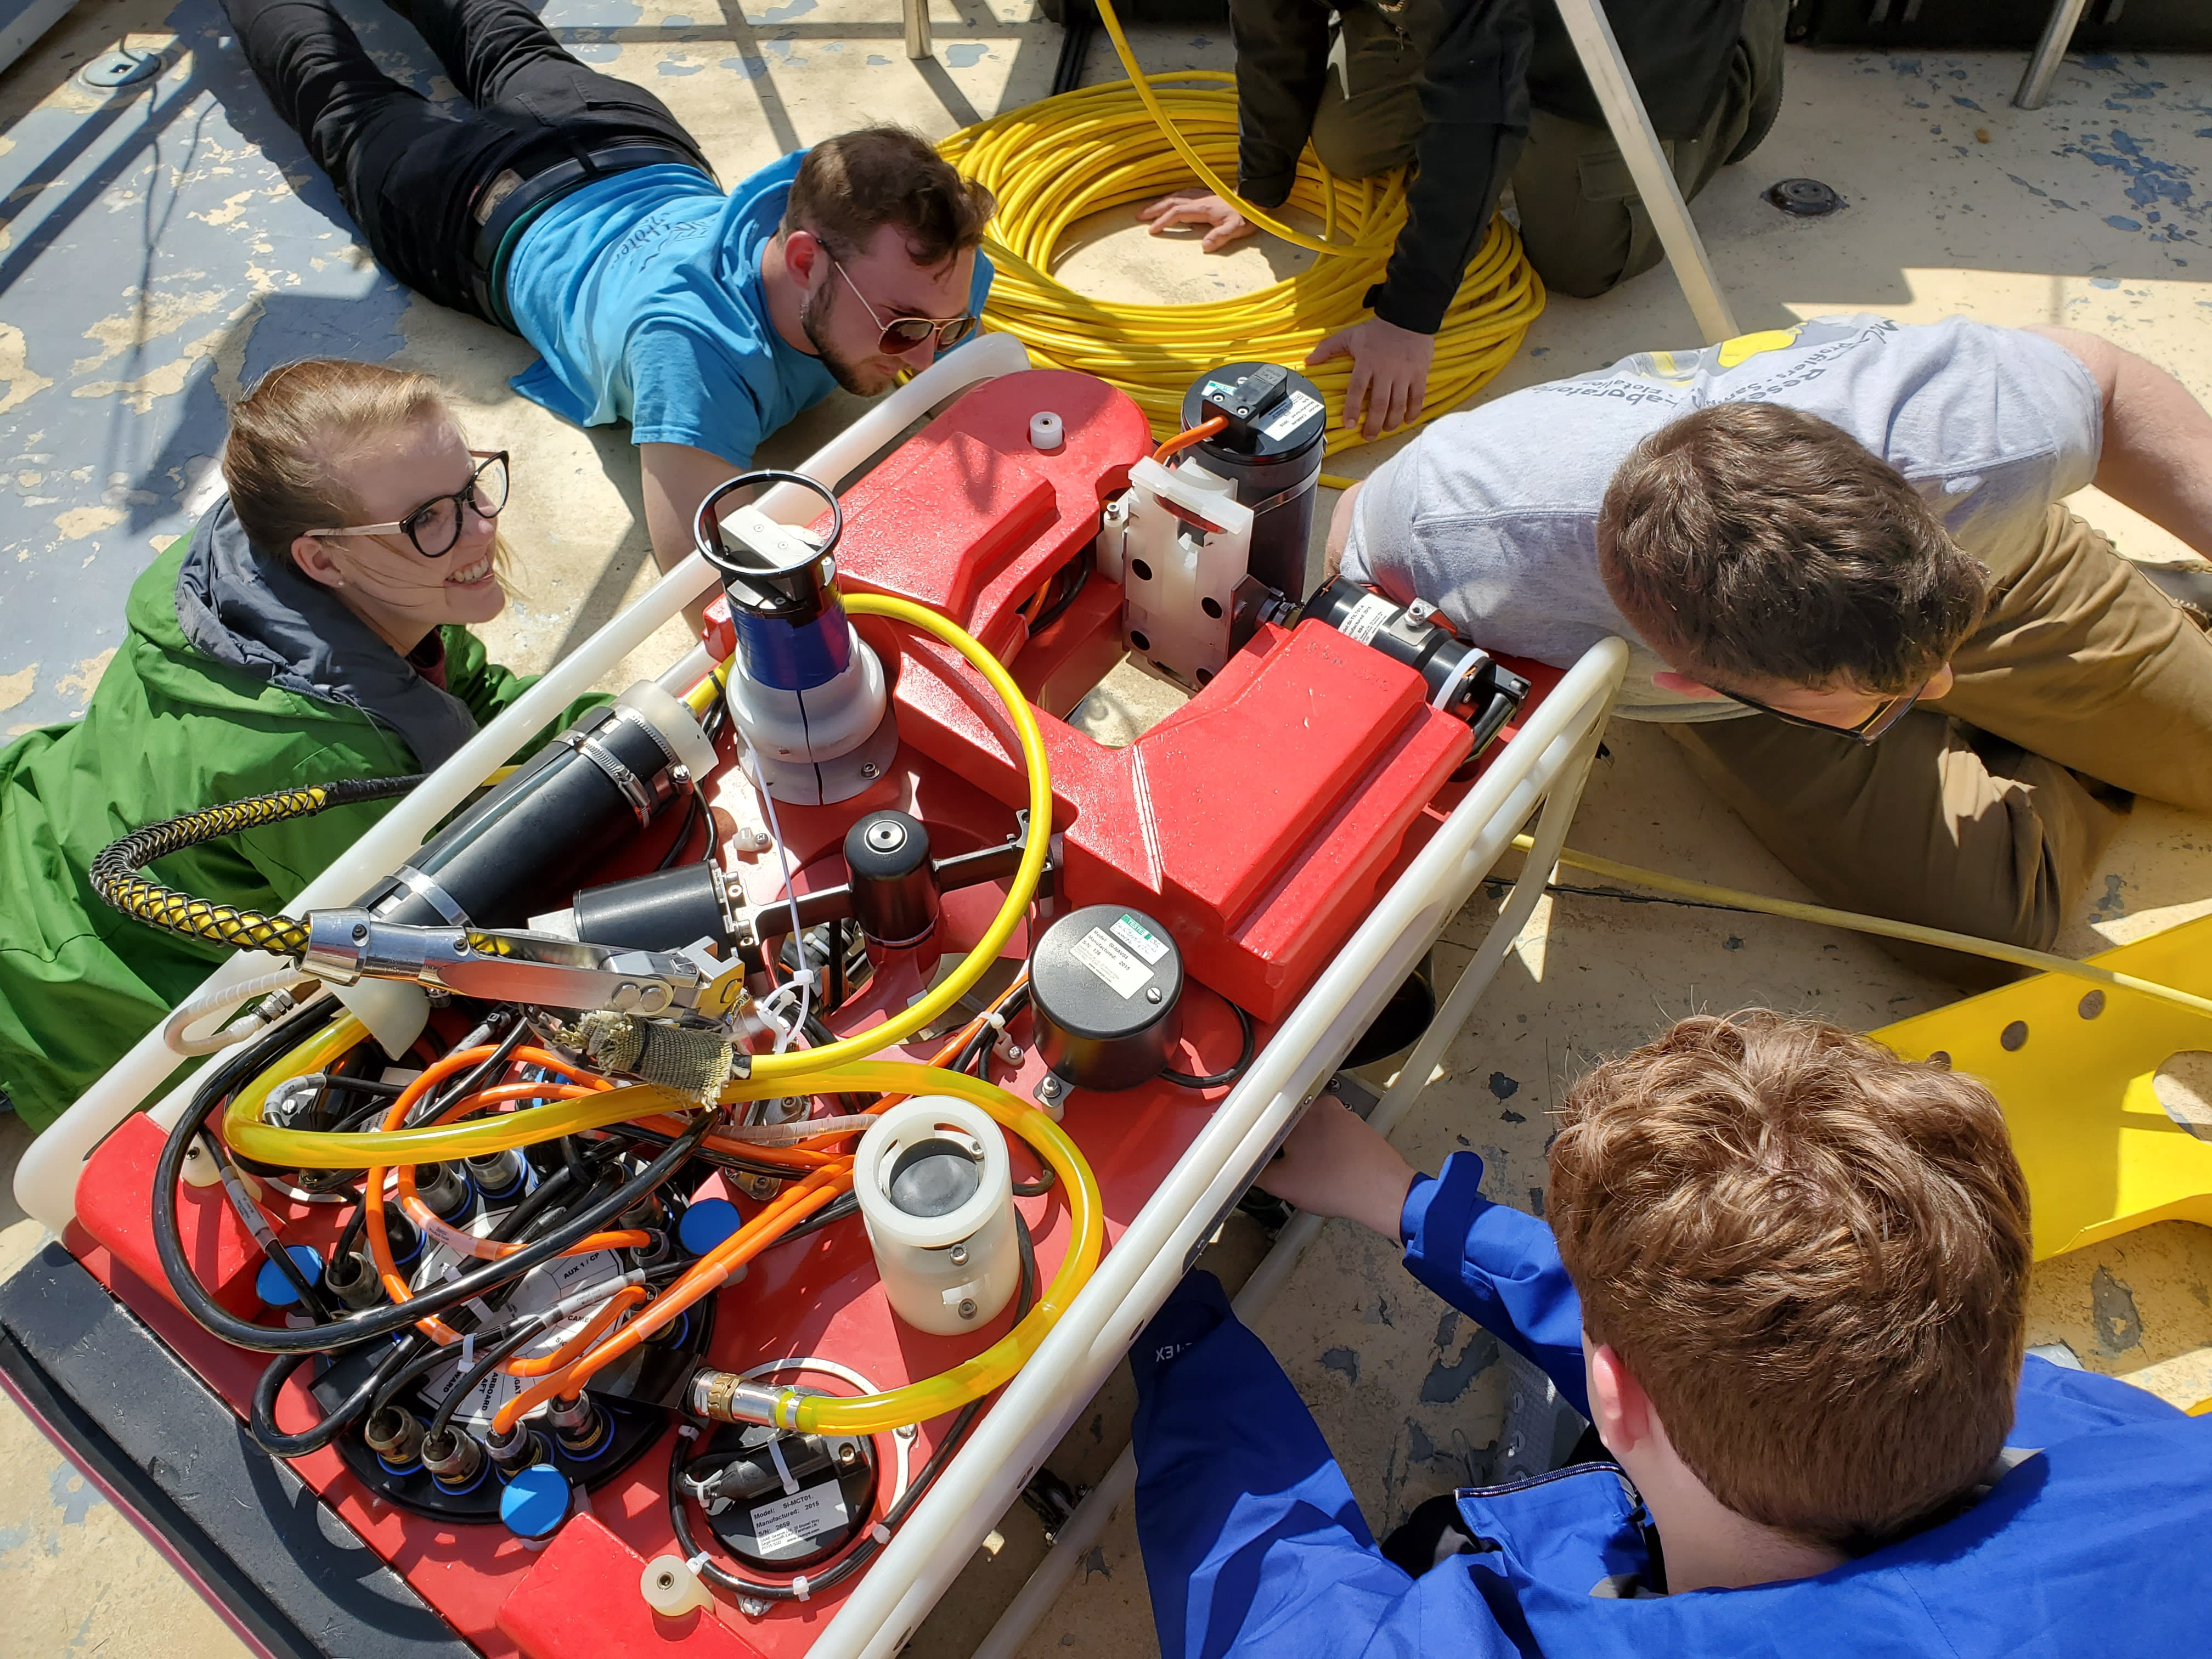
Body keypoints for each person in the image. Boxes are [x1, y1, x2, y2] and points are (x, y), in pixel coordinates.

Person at [1130, 1011, 2212, 1659]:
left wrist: (1160, 1313)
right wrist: (1414, 1207)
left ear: (1612, 1391)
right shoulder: (2134, 1447)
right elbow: (1755, 1338)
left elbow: (1271, 1599)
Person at [1324, 313, 2212, 974]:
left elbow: (2104, 381)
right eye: (1890, 699)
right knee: (1982, 931)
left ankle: (2061, 678)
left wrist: (1915, 642)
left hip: (1986, 560)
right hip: (1738, 672)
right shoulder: (1454, 537)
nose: (1938, 682)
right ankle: (2089, 719)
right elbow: (1347, 552)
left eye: (1928, 664)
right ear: (1685, 680)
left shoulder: (1965, 433)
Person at [0, 359, 601, 1134]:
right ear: (321, 557)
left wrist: (633, 717)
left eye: (472, 486)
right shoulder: (318, 754)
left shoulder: (297, 574)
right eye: (430, 519)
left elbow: (469, 700)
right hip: (58, 983)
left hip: (42, 823)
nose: (482, 526)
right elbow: (412, 952)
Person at [222, 0, 995, 587]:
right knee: (328, 79)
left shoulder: (918, 258)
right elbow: (710, 584)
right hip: (476, 202)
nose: (929, 358)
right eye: (902, 332)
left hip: (626, 137)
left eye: (949, 328)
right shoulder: (694, 352)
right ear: (803, 260)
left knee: (493, 21)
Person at [1138, 0, 1787, 437]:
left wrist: (1406, 317)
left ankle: (1742, 51)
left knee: (1584, 263)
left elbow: (1476, 106)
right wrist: (1263, 184)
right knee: (1345, 148)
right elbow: (1272, 25)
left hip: (1620, 23)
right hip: (1466, 12)